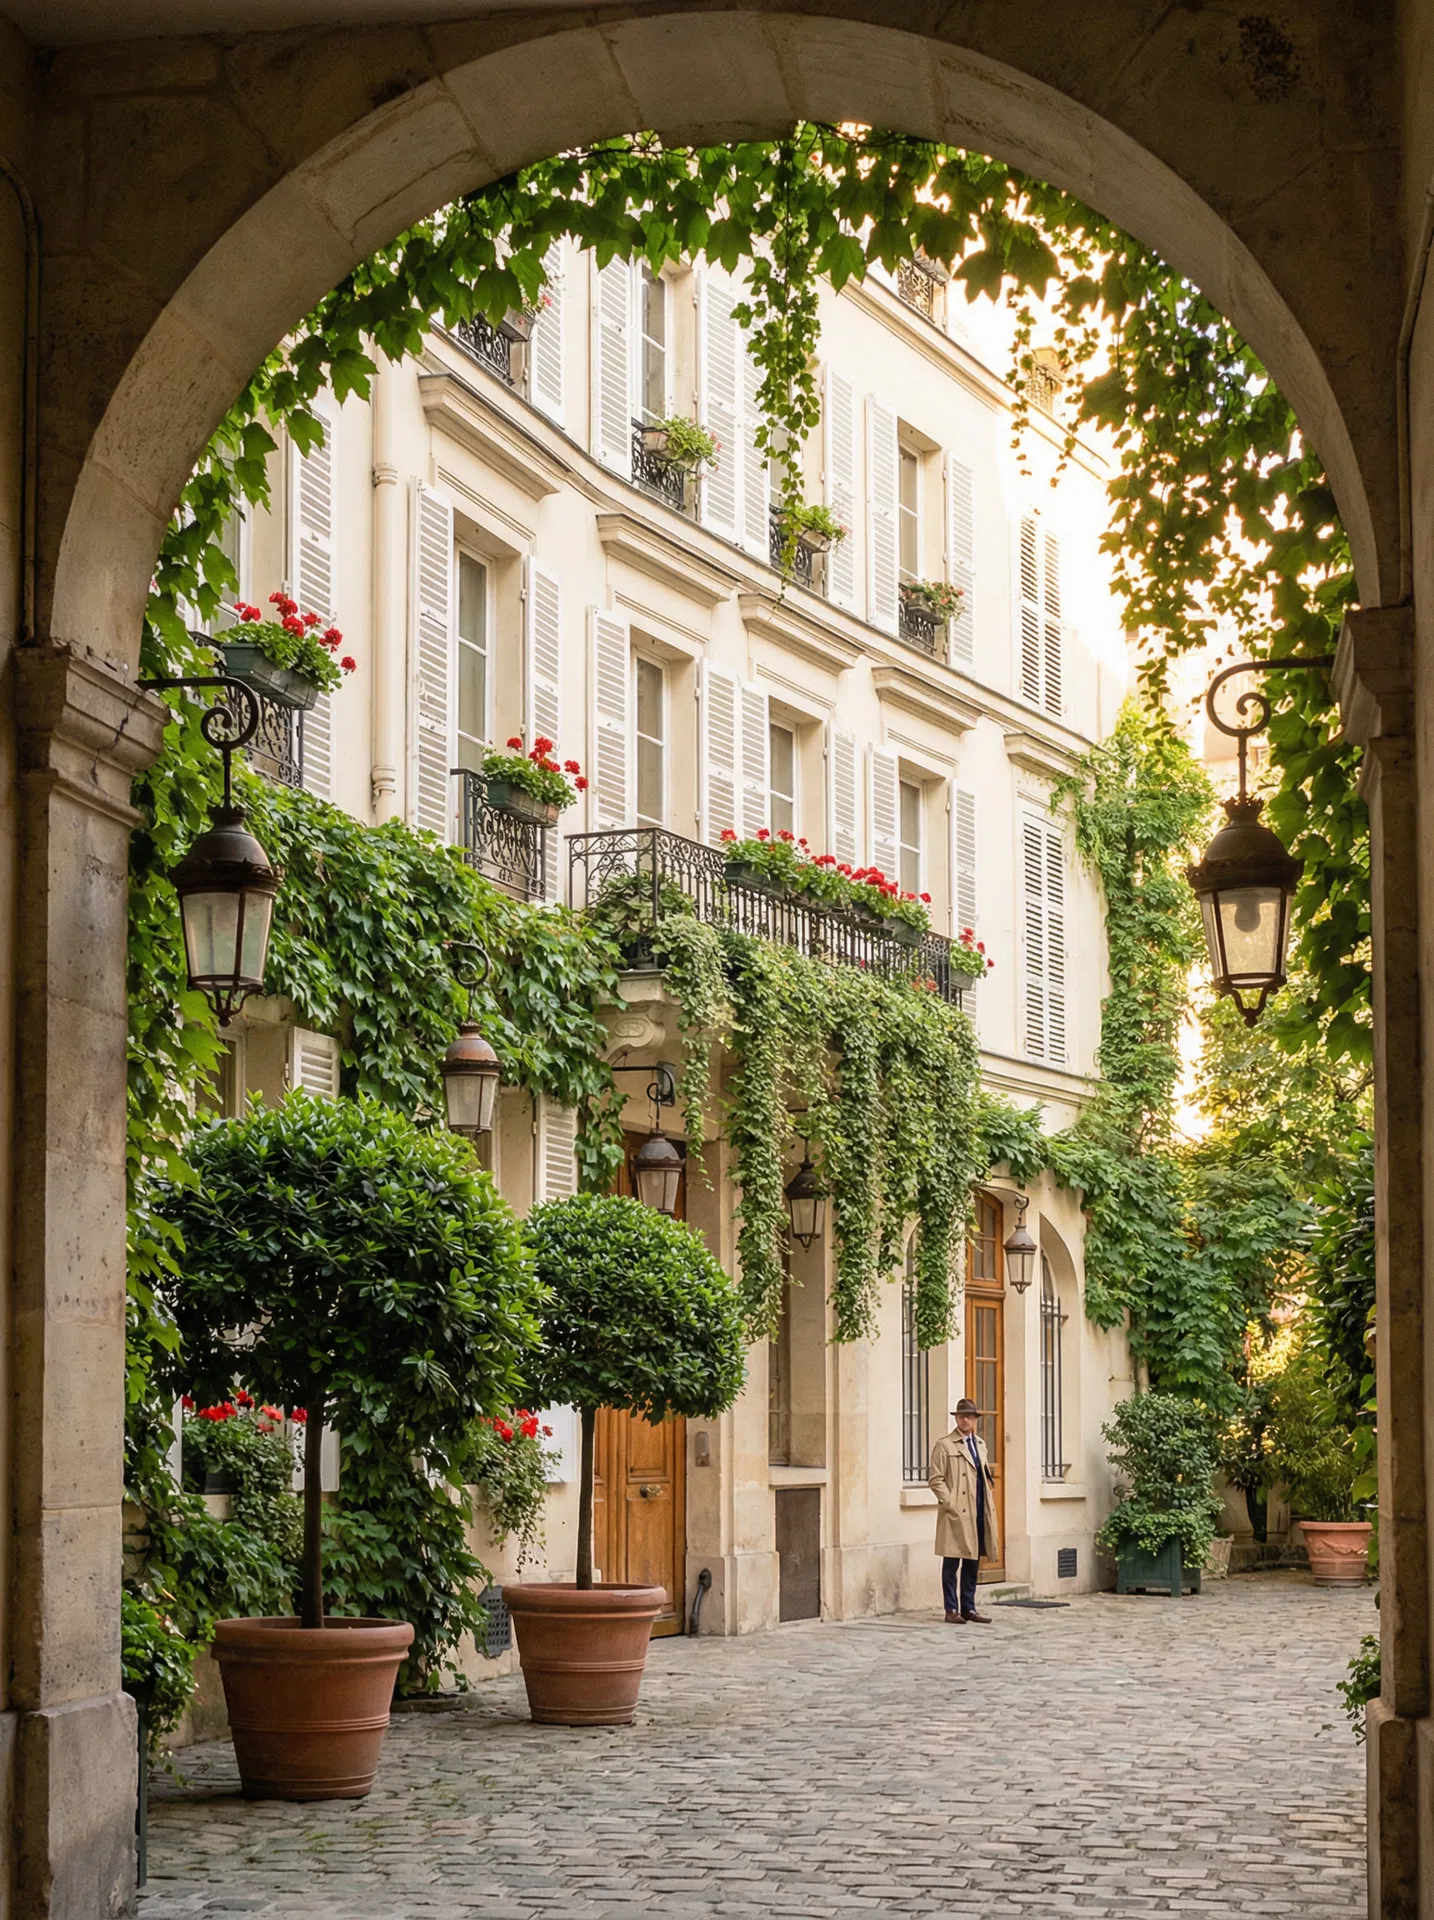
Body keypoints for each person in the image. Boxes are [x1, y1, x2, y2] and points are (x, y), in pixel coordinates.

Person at [928, 1398, 1000, 1624]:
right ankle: (951, 1609)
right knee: (952, 1561)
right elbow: (935, 1479)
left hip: (978, 1507)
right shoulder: (944, 1445)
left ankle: (968, 1607)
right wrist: (949, 1503)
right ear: (956, 1418)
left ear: (975, 1420)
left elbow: (983, 1475)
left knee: (973, 1560)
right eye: (961, 1416)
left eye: (969, 1416)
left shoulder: (980, 1444)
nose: (965, 1420)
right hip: (956, 1511)